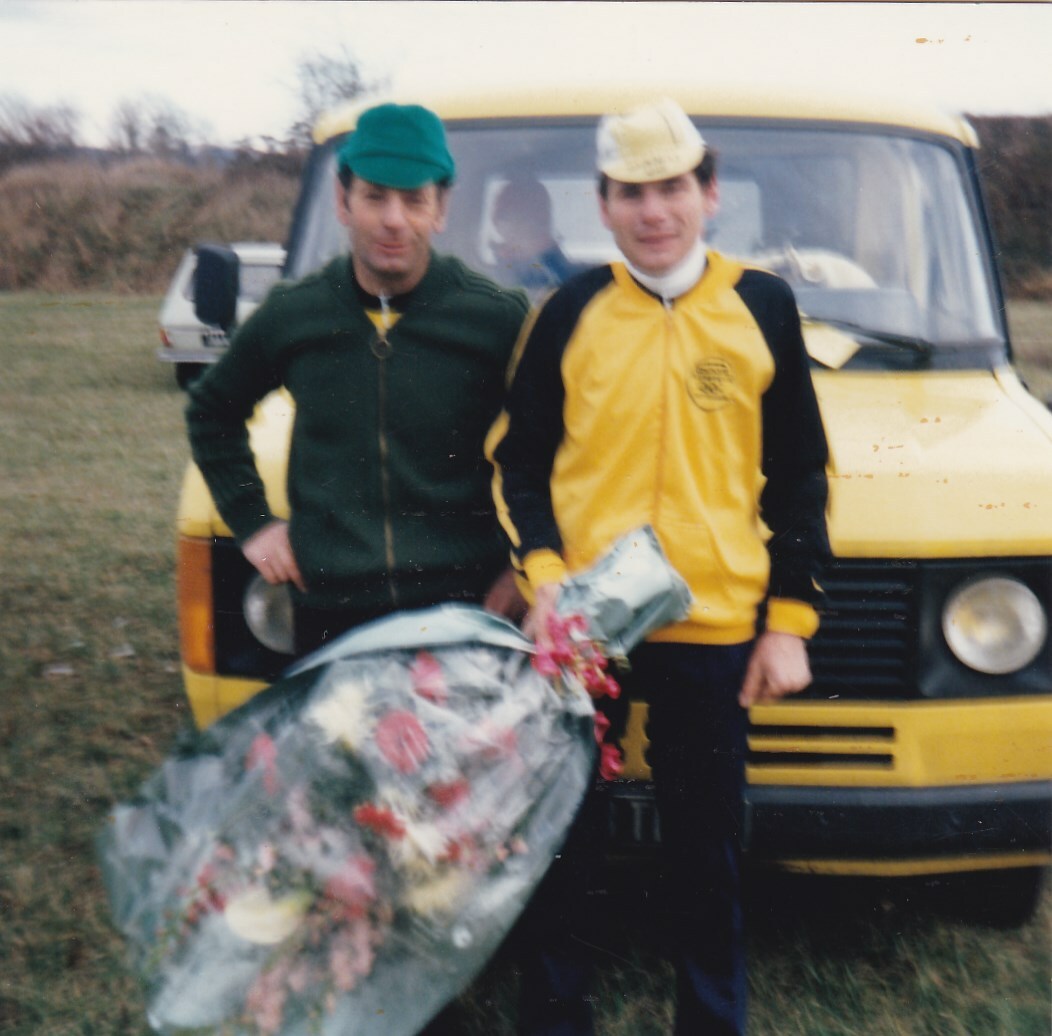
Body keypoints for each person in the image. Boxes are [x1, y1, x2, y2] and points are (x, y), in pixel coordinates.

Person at [487, 98, 830, 1035]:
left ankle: (710, 1021)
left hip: (712, 626)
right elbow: (519, 462)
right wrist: (546, 577)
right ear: (603, 205)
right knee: (563, 833)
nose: (654, 211)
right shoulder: (572, 311)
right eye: (631, 193)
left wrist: (788, 623)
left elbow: (801, 475)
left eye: (672, 187)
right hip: (583, 627)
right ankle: (556, 1018)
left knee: (705, 846)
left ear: (709, 194)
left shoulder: (762, 306)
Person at [186, 103, 530, 655]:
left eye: (414, 199)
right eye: (374, 196)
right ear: (343, 201)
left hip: (465, 614)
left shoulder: (497, 318)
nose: (393, 219)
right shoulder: (294, 313)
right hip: (328, 615)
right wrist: (253, 523)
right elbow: (211, 411)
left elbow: (554, 448)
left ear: (440, 209)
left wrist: (523, 566)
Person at [490, 175, 590, 296]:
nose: (499, 223)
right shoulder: (485, 275)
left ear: (541, 219)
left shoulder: (576, 279)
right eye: (501, 216)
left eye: (508, 216)